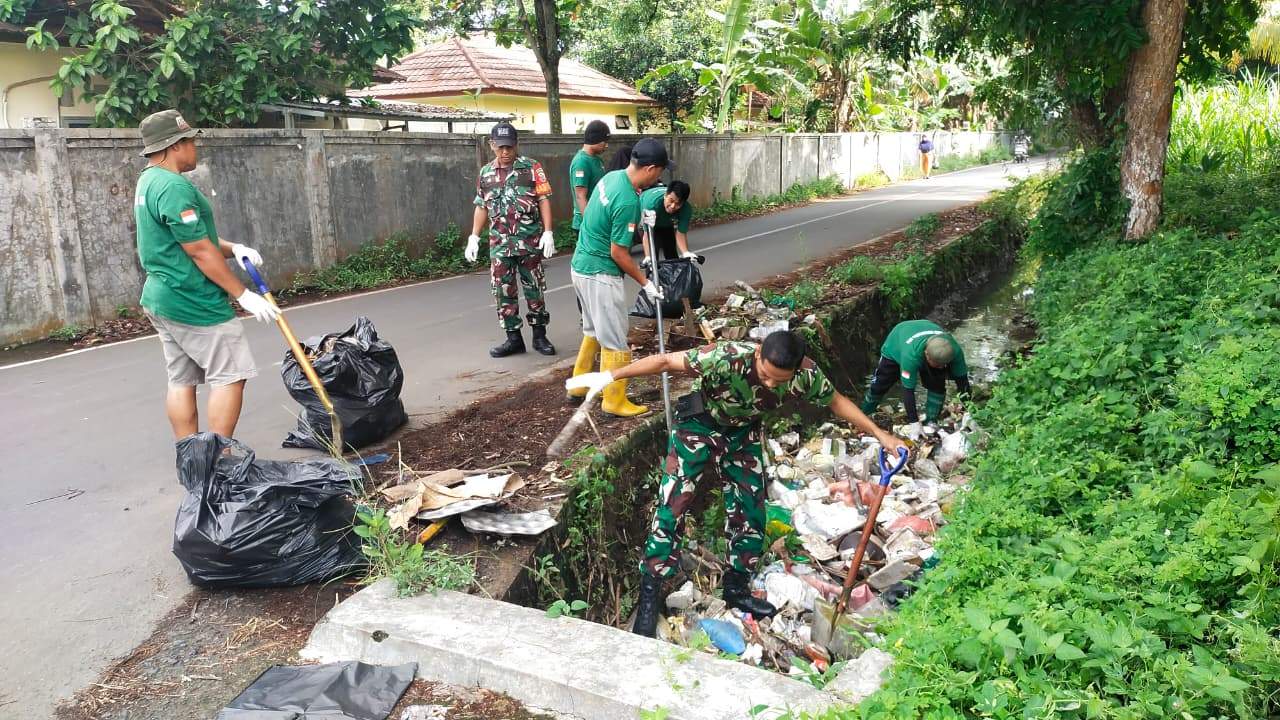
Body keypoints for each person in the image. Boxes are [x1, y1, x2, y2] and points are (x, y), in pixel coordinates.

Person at [565, 330, 909, 637]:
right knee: (673, 506)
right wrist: (611, 375)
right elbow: (666, 361)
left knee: (750, 508)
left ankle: (736, 587)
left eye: (780, 381)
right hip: (698, 426)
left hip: (741, 433)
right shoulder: (726, 356)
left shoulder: (806, 375)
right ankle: (650, 595)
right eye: (765, 375)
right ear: (757, 354)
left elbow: (836, 401)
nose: (771, 385)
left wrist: (881, 434)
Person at [133, 109, 279, 440]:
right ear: (175, 145)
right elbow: (198, 250)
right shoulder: (172, 187)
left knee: (181, 380)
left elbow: (194, 239)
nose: (195, 147)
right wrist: (243, 295)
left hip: (162, 296)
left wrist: (234, 248)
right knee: (231, 375)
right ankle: (218, 458)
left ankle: (191, 458)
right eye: (190, 141)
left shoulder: (149, 180)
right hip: (192, 300)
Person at [566, 138, 670, 416]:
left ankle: (579, 385)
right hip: (601, 274)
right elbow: (619, 253)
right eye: (661, 171)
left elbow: (605, 217)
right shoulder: (627, 200)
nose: (660, 177)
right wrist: (647, 283)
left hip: (580, 267)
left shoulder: (612, 178)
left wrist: (640, 219)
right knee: (615, 341)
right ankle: (614, 400)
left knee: (593, 330)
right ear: (650, 169)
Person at [466, 122, 557, 358]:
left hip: (529, 242)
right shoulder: (486, 173)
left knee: (534, 289)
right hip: (500, 245)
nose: (505, 152)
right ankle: (513, 338)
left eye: (509, 147)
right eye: (500, 147)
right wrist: (474, 236)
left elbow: (543, 199)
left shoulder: (532, 168)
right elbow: (481, 206)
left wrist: (548, 232)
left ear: (516, 145)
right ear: (492, 145)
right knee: (503, 291)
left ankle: (539, 336)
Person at [859, 319, 971, 439]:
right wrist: (914, 422)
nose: (941, 367)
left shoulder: (954, 350)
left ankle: (931, 421)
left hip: (927, 330)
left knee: (937, 383)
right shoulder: (911, 356)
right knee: (879, 386)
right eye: (938, 364)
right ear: (926, 354)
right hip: (897, 342)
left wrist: (969, 410)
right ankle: (863, 416)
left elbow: (963, 382)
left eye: (944, 364)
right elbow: (908, 390)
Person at [569, 120, 610, 241]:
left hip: (599, 220)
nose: (607, 145)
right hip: (587, 224)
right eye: (604, 141)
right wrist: (591, 225)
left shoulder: (597, 160)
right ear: (595, 139)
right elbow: (580, 196)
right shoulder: (581, 162)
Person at [637, 180, 696, 262]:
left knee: (672, 256)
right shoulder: (651, 205)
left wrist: (685, 252)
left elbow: (681, 233)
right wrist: (648, 256)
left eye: (678, 204)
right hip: (649, 223)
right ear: (665, 195)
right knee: (653, 258)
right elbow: (647, 235)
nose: (673, 206)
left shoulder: (686, 209)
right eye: (671, 201)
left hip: (666, 223)